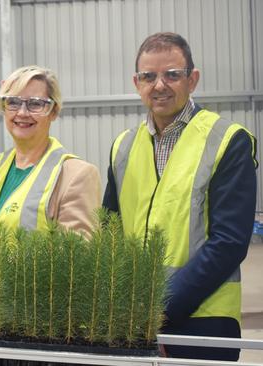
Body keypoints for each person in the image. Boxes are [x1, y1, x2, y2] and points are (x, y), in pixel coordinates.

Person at [103, 32, 258, 361]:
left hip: (203, 320)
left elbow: (228, 242)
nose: (159, 85)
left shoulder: (227, 140)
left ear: (193, 79)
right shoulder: (123, 147)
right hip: (132, 322)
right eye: (149, 76)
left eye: (172, 74)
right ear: (137, 82)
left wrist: (157, 307)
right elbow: (110, 233)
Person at [0, 65, 101, 342]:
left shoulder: (76, 174)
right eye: (13, 102)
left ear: (54, 111)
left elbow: (79, 261)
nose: (22, 113)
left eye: (36, 104)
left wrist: (0, 268)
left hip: (37, 330)